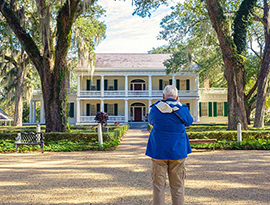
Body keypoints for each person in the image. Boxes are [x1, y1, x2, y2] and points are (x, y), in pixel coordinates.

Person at [146, 85, 193, 205]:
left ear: (163, 96)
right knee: (177, 185)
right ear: (177, 97)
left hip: (159, 151)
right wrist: (179, 105)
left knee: (158, 186)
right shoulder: (182, 109)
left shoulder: (156, 108)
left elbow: (151, 121)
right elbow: (189, 122)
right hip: (177, 151)